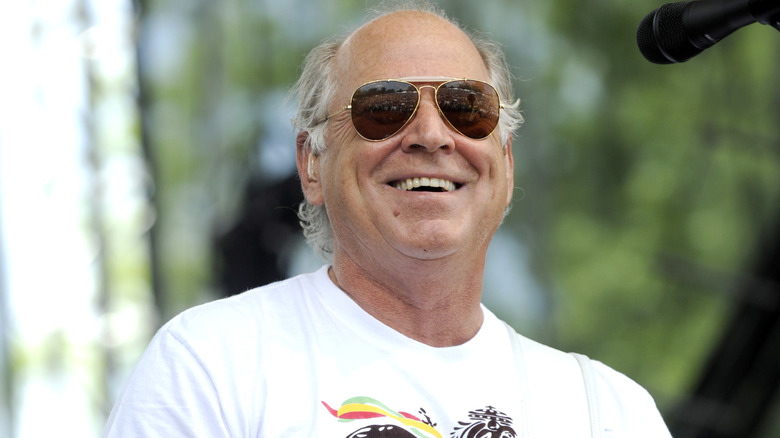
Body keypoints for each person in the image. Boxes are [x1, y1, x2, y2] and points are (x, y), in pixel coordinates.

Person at [104, 3, 672, 437]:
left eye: (467, 108)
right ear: (312, 165)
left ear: (505, 162)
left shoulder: (610, 411)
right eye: (383, 108)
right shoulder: (210, 364)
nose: (430, 135)